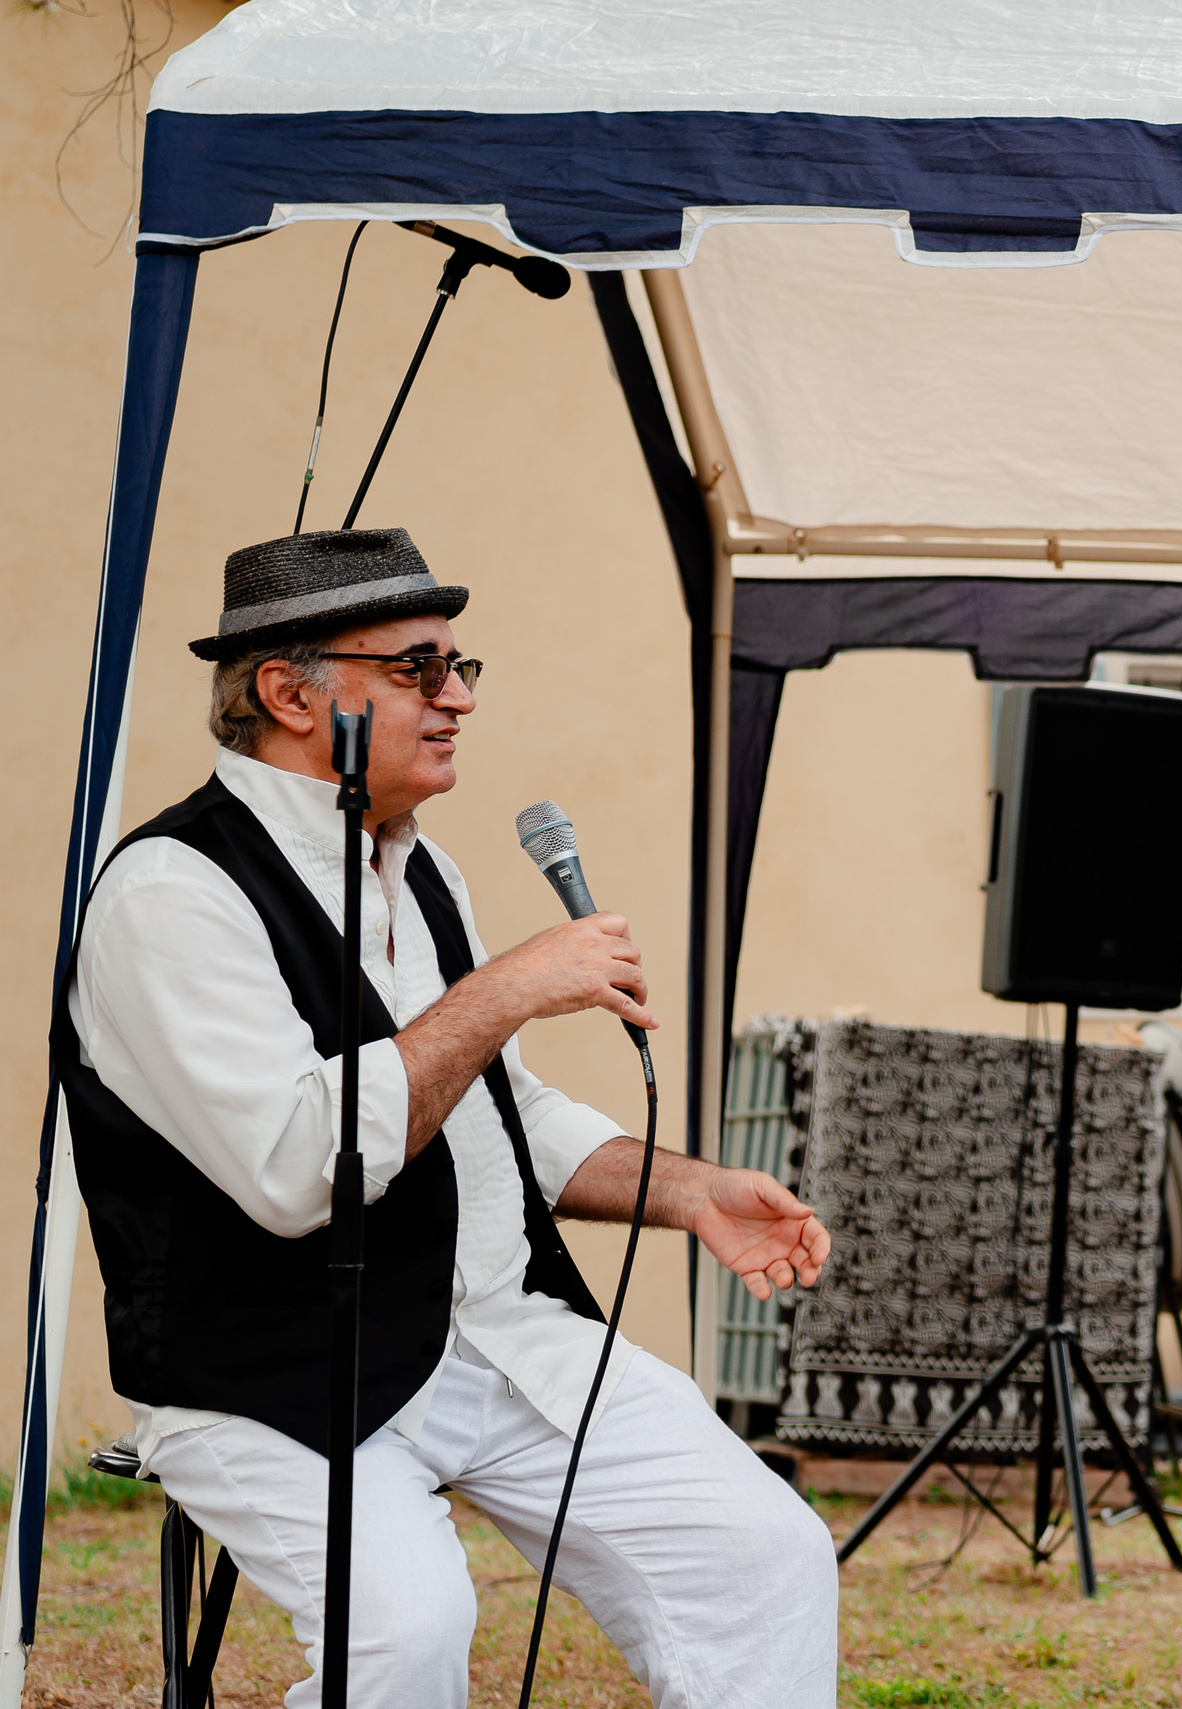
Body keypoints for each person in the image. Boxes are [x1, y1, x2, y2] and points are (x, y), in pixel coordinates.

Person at [58, 529, 840, 1706]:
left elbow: (498, 1112)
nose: (458, 697)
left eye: (460, 664)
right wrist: (509, 984)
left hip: (490, 1335)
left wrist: (688, 1191)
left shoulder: (423, 870)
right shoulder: (174, 890)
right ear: (288, 691)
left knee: (763, 1554)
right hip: (271, 1370)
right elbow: (292, 1166)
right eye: (418, 669)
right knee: (410, 1629)